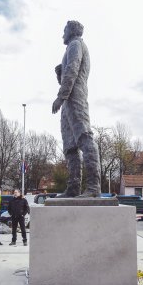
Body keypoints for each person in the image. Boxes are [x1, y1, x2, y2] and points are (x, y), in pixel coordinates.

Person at [52, 20, 101, 198]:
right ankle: (73, 188)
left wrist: (61, 96)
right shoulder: (70, 47)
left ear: (71, 31)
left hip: (74, 98)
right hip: (68, 101)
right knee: (70, 146)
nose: (62, 34)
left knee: (84, 138)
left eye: (64, 30)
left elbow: (73, 70)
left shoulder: (76, 44)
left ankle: (93, 187)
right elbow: (69, 73)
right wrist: (60, 75)